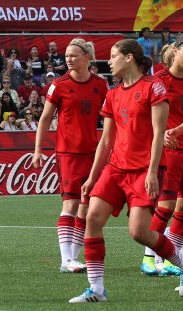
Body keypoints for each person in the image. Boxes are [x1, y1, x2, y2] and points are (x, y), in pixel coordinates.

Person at [68, 39, 178, 303]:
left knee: (139, 233)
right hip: (116, 168)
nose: (109, 61)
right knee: (92, 217)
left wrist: (152, 172)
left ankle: (180, 262)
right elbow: (106, 140)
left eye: (114, 56)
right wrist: (93, 177)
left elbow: (158, 133)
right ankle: (96, 290)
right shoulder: (112, 94)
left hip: (143, 170)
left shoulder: (154, 87)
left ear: (129, 58)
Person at [33, 38, 109, 275]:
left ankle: (73, 258)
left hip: (92, 153)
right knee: (71, 203)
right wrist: (37, 150)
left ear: (87, 58)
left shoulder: (100, 84)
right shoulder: (58, 85)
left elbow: (109, 118)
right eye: (67, 55)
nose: (68, 59)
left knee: (86, 207)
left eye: (74, 55)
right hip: (68, 153)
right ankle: (66, 259)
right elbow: (45, 119)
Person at [140, 41, 183, 277]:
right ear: (176, 50)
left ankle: (170, 259)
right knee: (165, 207)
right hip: (171, 152)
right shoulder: (160, 80)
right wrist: (162, 135)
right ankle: (149, 257)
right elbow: (145, 114)